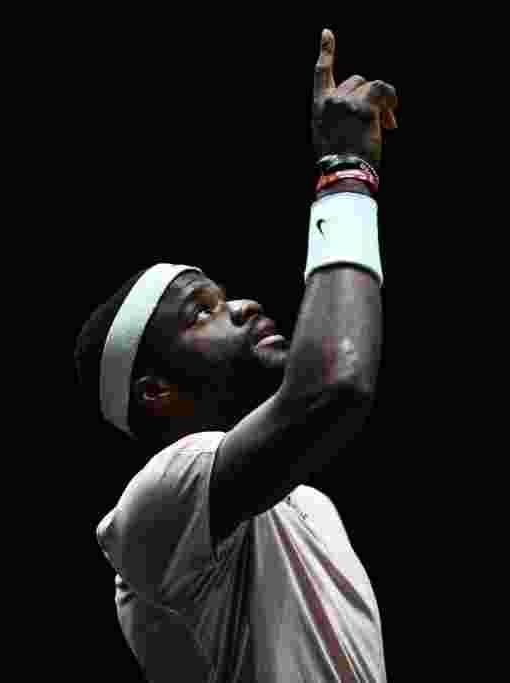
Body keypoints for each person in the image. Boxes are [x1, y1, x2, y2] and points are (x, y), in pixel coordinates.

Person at [74, 29, 399, 682]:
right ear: (155, 391)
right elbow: (337, 380)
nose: (244, 307)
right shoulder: (154, 507)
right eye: (202, 311)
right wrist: (344, 172)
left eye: (225, 297)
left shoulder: (308, 507)